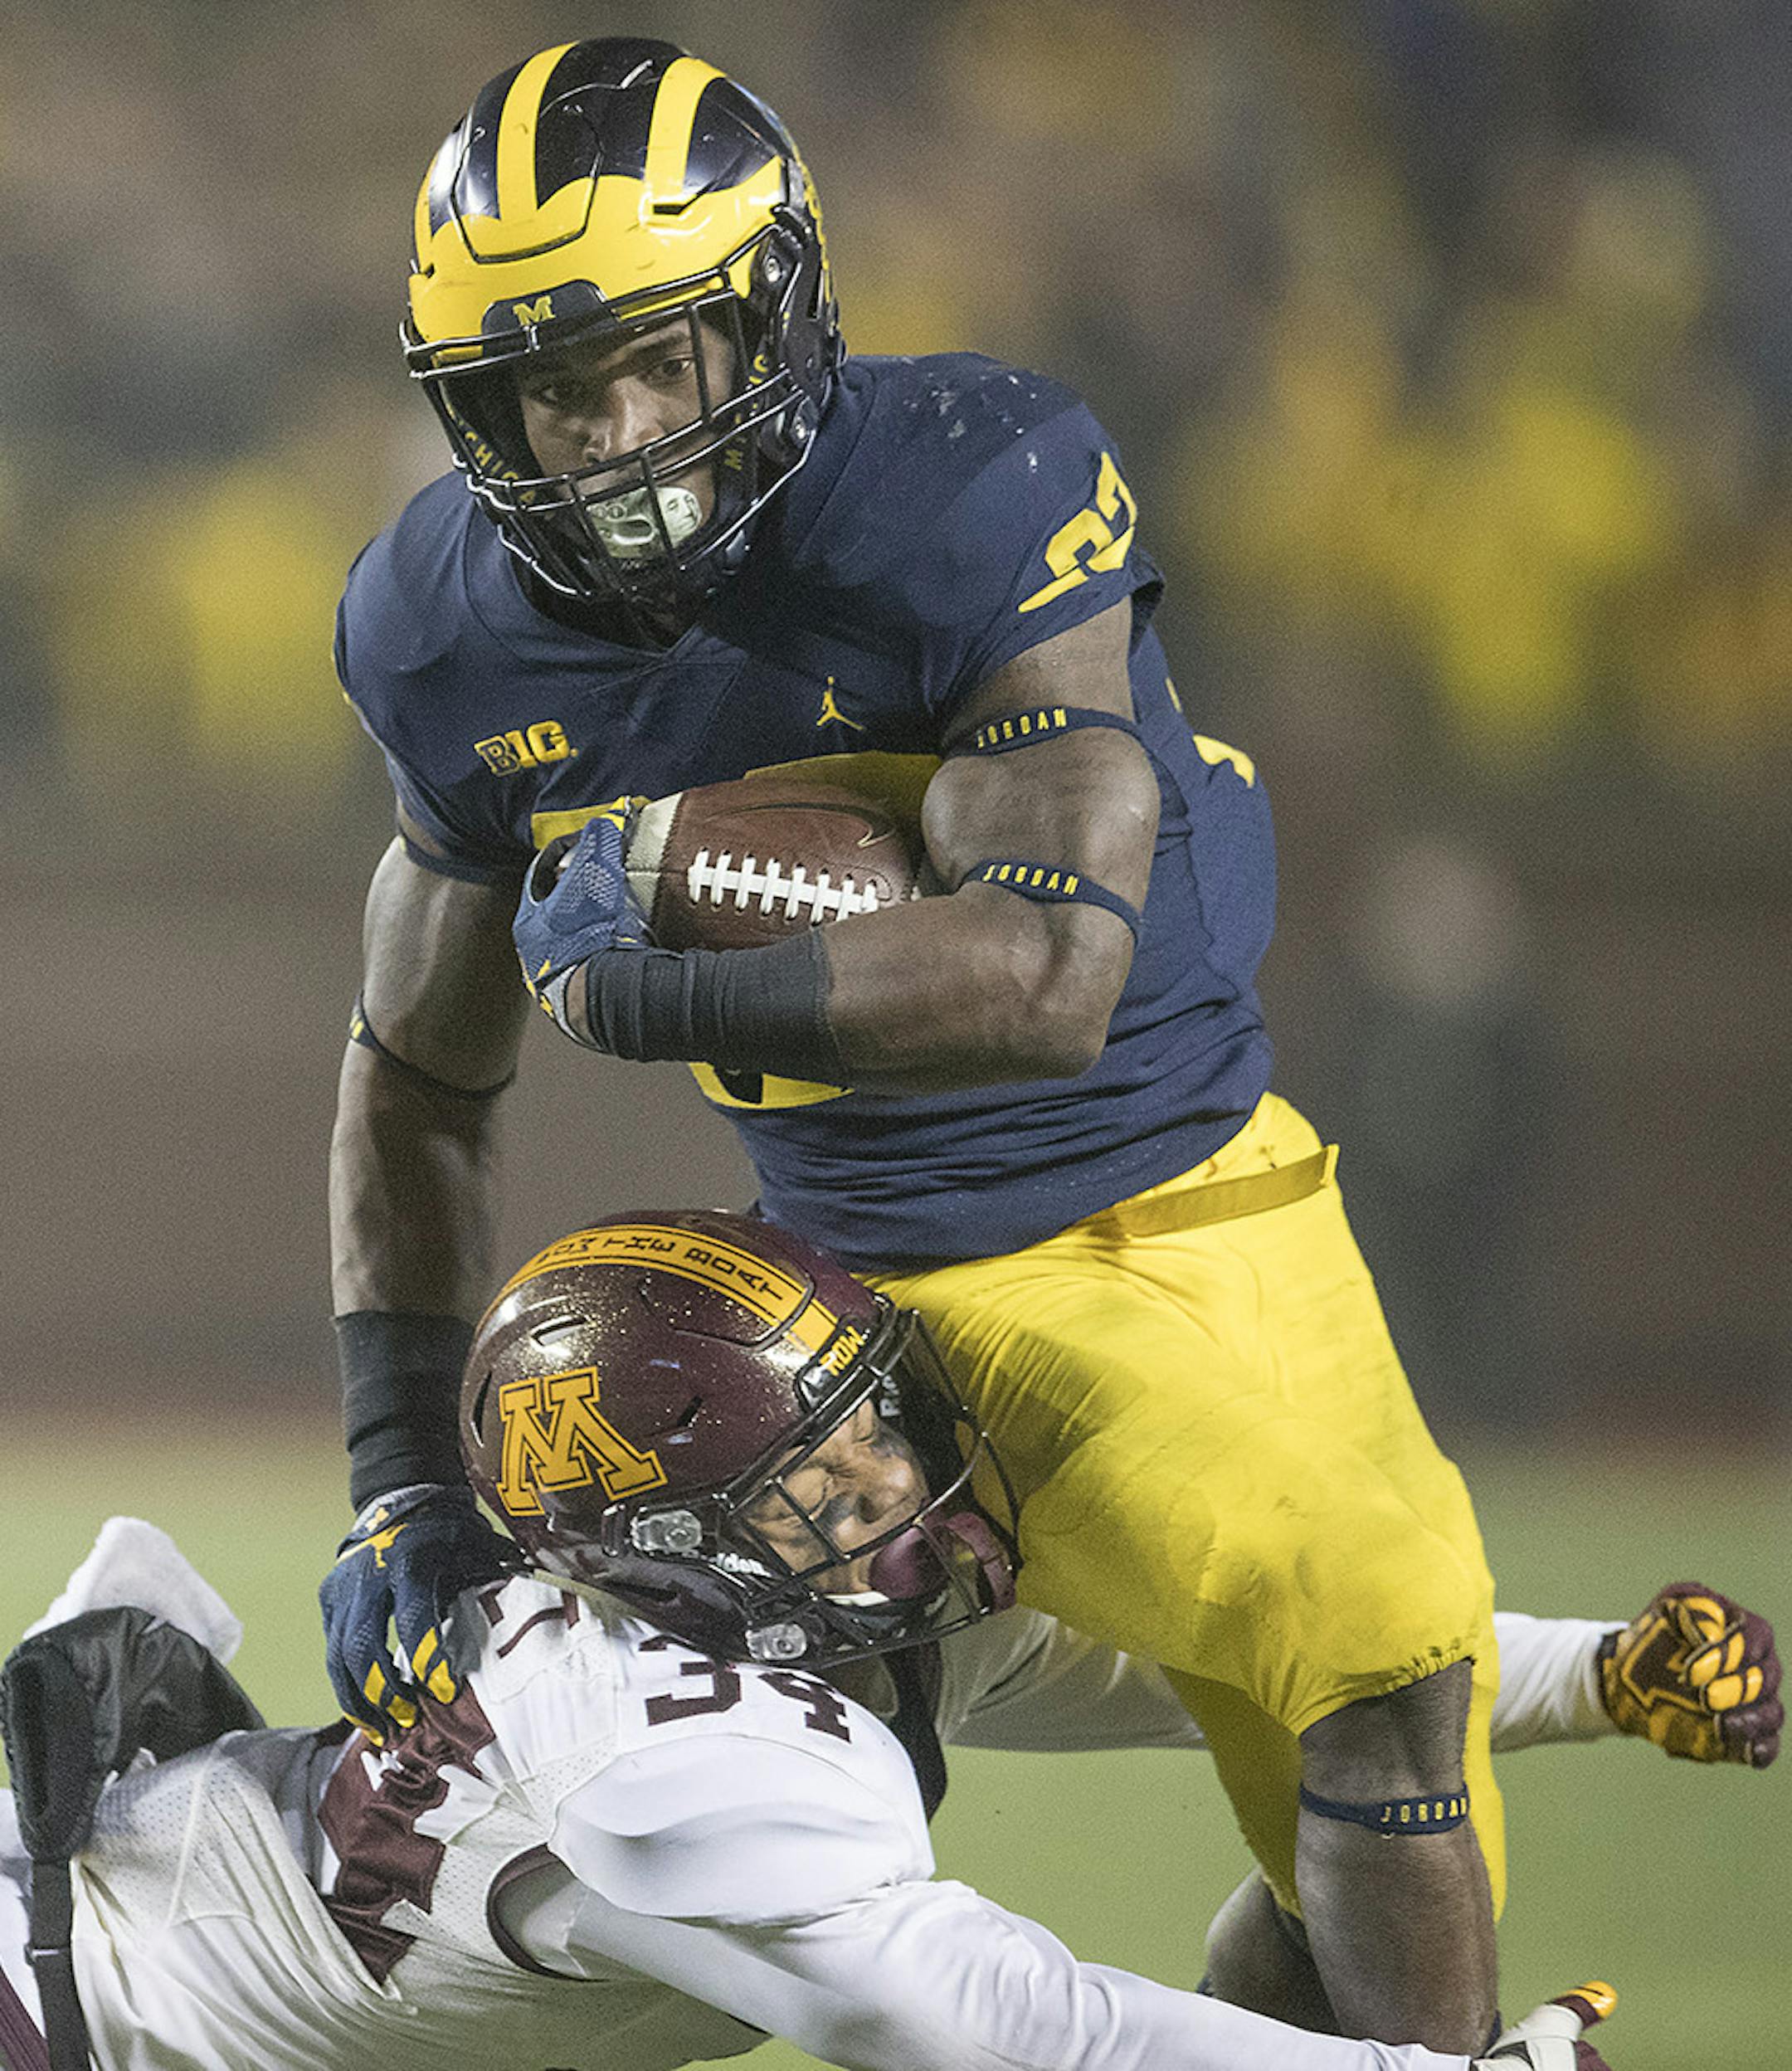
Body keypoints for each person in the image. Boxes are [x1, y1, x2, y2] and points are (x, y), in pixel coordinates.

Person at [318, 37, 1757, 2052]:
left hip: (1232, 1158)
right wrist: (400, 1479)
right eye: (558, 387)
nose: (621, 434)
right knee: (1365, 1617)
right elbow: (415, 1074)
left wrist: (658, 990)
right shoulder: (442, 631)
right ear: (476, 405)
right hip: (942, 1269)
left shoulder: (964, 489)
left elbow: (1043, 985)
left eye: (665, 362)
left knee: (1365, 1724)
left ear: (780, 323)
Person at [12, 1213, 1778, 2071]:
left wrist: (1595, 1673)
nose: (893, 1486)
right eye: (820, 1473)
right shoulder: (639, 1747)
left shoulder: (812, 1609)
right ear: (661, 1546)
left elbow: (1200, 1674)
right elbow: (1010, 2024)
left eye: (878, 1424)